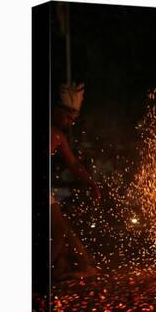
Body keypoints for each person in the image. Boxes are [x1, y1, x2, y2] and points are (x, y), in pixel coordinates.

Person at [51, 82, 101, 280]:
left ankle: (72, 266)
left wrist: (91, 183)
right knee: (59, 230)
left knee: (61, 229)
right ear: (55, 110)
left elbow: (74, 164)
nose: (69, 122)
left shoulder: (58, 136)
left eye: (72, 120)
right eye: (66, 117)